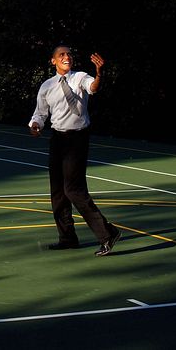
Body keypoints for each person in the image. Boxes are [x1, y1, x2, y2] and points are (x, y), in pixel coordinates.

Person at [28, 45, 122, 256]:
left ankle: (108, 234)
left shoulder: (80, 77)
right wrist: (35, 125)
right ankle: (67, 237)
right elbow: (40, 114)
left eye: (69, 54)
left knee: (74, 190)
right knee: (58, 192)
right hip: (58, 139)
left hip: (77, 138)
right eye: (61, 54)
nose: (66, 57)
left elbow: (94, 87)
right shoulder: (47, 86)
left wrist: (99, 73)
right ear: (53, 61)